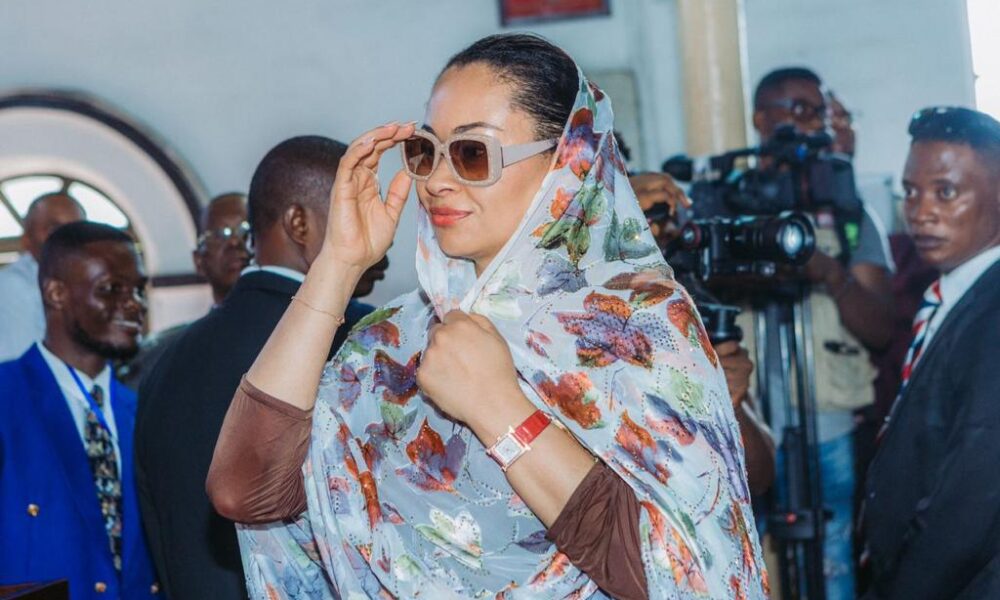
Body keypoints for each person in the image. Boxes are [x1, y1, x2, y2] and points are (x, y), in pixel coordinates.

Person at [209, 34, 768, 599]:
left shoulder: (636, 326)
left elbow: (689, 577)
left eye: (472, 153)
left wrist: (501, 410)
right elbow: (246, 494)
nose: (436, 180)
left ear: (566, 163)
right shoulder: (392, 342)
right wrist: (338, 264)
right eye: (426, 150)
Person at [133, 136, 374, 600]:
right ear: (299, 223)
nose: (381, 240)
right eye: (357, 211)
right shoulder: (358, 341)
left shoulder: (164, 362)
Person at [748, 67, 894, 597]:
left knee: (832, 562)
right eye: (799, 110)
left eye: (820, 113)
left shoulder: (847, 212)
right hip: (742, 426)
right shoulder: (730, 205)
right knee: (736, 558)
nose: (812, 124)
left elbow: (880, 328)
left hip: (826, 426)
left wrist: (829, 272)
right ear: (761, 120)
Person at [862, 107, 1000, 599]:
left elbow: (972, 496)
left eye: (946, 192)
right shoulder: (956, 292)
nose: (920, 212)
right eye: (911, 192)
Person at [0, 221, 159, 599]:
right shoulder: (7, 398)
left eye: (138, 289)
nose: (134, 304)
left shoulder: (143, 411)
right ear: (56, 293)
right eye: (111, 289)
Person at [117, 192, 251, 389]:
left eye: (246, 230)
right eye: (219, 235)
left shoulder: (290, 332)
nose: (235, 242)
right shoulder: (164, 353)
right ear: (198, 261)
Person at [0, 192, 85, 362]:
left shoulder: (82, 285)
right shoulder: (12, 287)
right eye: (54, 229)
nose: (68, 237)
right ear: (26, 240)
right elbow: (24, 368)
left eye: (77, 229)